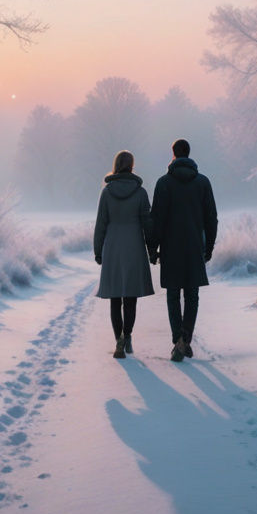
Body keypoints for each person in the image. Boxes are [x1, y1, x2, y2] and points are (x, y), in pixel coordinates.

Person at [149, 138, 218, 362]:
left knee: (172, 294)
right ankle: (185, 339)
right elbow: (211, 218)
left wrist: (153, 248)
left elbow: (156, 219)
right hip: (194, 245)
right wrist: (209, 247)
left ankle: (177, 339)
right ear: (189, 154)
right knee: (192, 295)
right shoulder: (203, 182)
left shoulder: (163, 183)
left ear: (173, 154)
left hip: (170, 247)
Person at [93, 149, 156, 359]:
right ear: (131, 166)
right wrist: (152, 249)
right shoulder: (140, 192)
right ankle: (127, 336)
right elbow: (148, 223)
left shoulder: (107, 192)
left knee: (114, 297)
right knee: (130, 297)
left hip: (112, 246)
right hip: (134, 246)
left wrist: (98, 250)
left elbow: (101, 223)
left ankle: (118, 339)